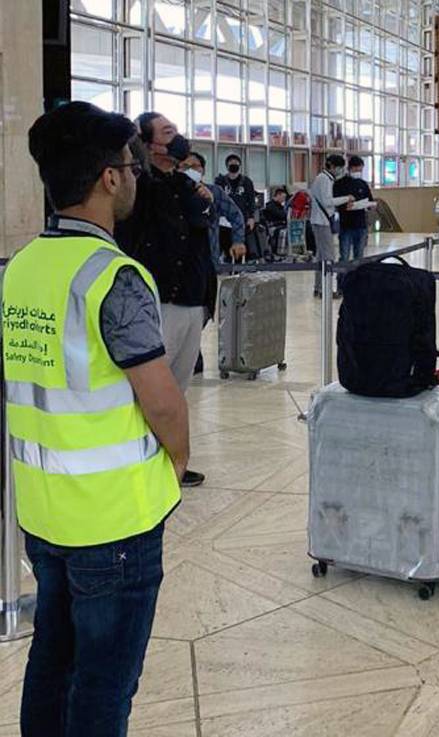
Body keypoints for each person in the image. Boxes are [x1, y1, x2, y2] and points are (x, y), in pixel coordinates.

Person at [11, 101, 188, 737]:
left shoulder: (22, 268)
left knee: (52, 663)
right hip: (114, 523)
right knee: (105, 686)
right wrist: (178, 458)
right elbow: (161, 398)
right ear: (109, 178)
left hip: (44, 511)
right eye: (130, 166)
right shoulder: (113, 277)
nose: (136, 177)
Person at [116, 111, 212, 488]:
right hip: (160, 301)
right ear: (149, 142)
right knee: (153, 390)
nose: (178, 138)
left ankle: (170, 462)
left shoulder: (187, 186)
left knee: (179, 388)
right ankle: (143, 464)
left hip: (191, 300)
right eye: (168, 132)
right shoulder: (142, 188)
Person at [179, 152, 246, 264]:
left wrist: (238, 241)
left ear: (203, 170)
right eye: (185, 167)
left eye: (195, 166)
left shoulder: (214, 192)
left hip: (208, 255)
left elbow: (235, 215)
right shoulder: (172, 193)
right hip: (179, 256)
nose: (190, 170)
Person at [310, 154, 354, 297]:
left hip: (320, 220)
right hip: (321, 222)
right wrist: (346, 198)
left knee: (321, 256)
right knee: (328, 257)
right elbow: (327, 202)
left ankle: (319, 288)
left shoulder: (324, 178)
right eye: (340, 168)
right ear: (334, 167)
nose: (341, 171)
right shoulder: (324, 179)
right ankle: (326, 290)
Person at [215, 154, 259, 258]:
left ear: (239, 166)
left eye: (236, 164)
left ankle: (239, 266)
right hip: (223, 219)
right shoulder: (220, 181)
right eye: (231, 164)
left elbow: (251, 200)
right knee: (224, 243)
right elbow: (216, 199)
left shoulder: (247, 182)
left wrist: (251, 217)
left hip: (241, 218)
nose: (234, 166)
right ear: (227, 166)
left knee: (240, 243)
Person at [334, 155, 374, 263]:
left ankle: (357, 278)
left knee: (359, 256)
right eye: (357, 169)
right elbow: (335, 201)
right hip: (346, 225)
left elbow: (369, 199)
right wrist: (345, 205)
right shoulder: (339, 183)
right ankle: (342, 279)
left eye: (360, 170)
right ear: (350, 168)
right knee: (344, 256)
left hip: (360, 225)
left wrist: (370, 205)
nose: (359, 172)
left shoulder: (363, 184)